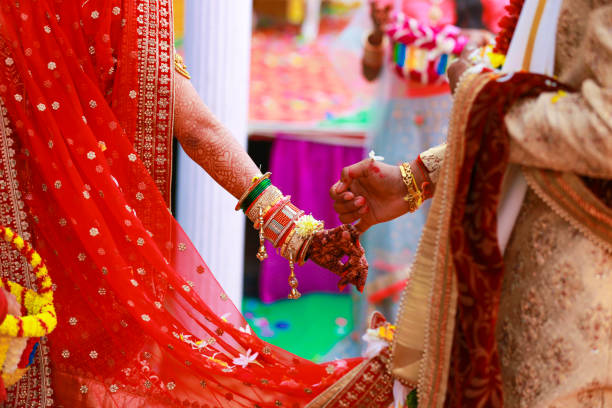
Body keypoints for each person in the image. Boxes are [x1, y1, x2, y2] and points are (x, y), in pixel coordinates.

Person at [0, 0, 368, 406]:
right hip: (99, 266)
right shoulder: (120, 9)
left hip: (17, 264)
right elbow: (198, 130)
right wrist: (298, 235)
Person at [326, 0, 612, 405]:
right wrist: (416, 178)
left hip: (575, 296)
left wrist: (476, 91)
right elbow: (540, 98)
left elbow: (604, 126)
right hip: (500, 266)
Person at [352, 0, 506, 342]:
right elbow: (370, 70)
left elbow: (503, 51)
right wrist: (378, 34)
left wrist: (472, 38)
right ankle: (389, 340)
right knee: (395, 234)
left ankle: (445, 339)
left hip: (452, 122)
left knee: (451, 228)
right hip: (401, 123)